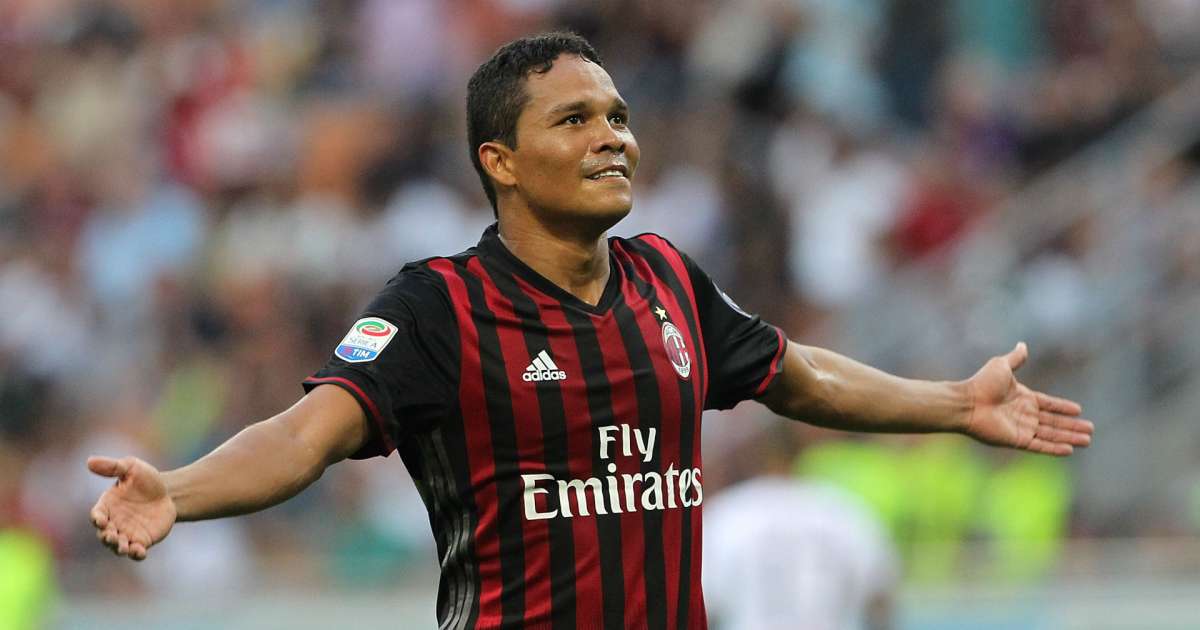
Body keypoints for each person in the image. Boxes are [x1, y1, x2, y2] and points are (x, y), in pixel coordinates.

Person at [87, 32, 1094, 630]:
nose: (613, 137)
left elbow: (796, 375)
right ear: (501, 160)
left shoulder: (668, 279)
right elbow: (303, 436)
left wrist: (955, 403)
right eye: (574, 120)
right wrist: (179, 489)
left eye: (616, 116)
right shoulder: (439, 305)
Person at [704, 425, 897, 630]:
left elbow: (706, 605)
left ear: (757, 455)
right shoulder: (843, 510)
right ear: (802, 452)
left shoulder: (726, 514)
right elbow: (880, 599)